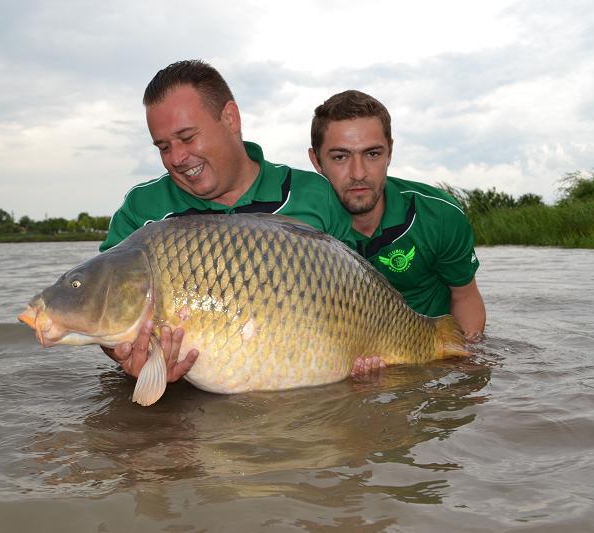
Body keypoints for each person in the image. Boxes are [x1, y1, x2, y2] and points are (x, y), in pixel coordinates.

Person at [99, 59, 357, 382]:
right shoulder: (142, 211)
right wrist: (126, 355)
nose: (176, 158)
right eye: (163, 146)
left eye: (188, 137)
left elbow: (363, 295)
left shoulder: (313, 196)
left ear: (230, 118)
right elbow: (103, 311)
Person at [308, 90, 486, 376]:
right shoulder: (306, 232)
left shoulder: (439, 215)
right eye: (340, 157)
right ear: (316, 161)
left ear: (390, 151)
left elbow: (465, 296)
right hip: (349, 357)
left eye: (372, 154)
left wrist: (463, 366)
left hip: (432, 352)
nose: (358, 173)